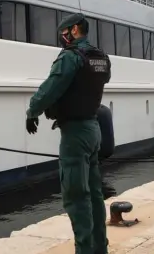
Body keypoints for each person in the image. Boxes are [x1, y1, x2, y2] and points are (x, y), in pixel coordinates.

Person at [25, 13, 112, 254]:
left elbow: (50, 88)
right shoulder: (101, 58)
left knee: (76, 197)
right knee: (95, 195)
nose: (62, 38)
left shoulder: (71, 57)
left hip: (75, 134)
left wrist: (32, 111)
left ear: (74, 30)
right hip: (94, 129)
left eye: (64, 33)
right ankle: (99, 248)